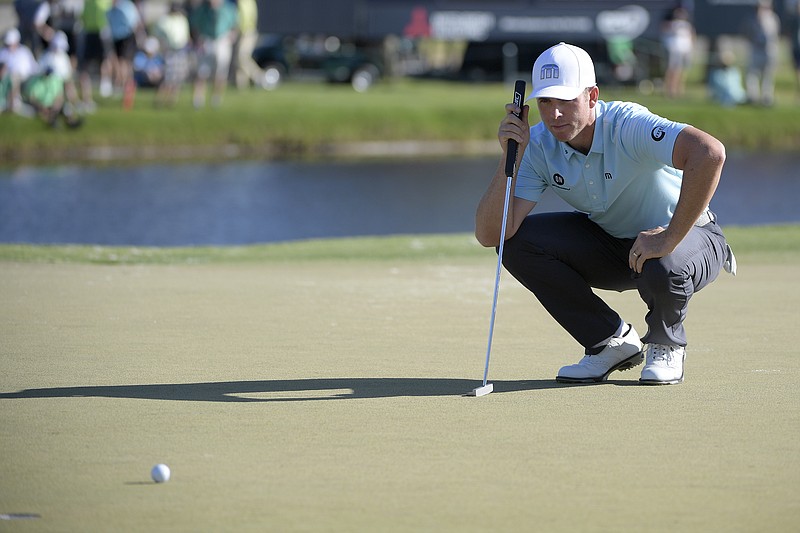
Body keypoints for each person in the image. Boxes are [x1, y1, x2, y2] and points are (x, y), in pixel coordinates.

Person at [475, 42, 736, 385]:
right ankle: (609, 343)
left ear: (593, 96)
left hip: (692, 238)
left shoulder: (627, 124)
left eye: (566, 101)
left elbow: (709, 152)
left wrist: (669, 236)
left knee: (662, 258)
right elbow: (490, 233)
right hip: (618, 247)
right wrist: (511, 155)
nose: (554, 115)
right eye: (545, 102)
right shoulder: (536, 144)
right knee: (517, 243)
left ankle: (665, 343)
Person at [189, 0, 238, 108]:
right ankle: (198, 100)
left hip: (222, 40)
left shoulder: (228, 8)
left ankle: (216, 99)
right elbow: (195, 25)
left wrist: (231, 37)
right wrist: (198, 39)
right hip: (206, 40)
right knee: (202, 72)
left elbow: (234, 25)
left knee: (221, 72)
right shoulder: (202, 9)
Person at [745, 0, 780, 106]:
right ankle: (753, 97)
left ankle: (766, 98)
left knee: (767, 76)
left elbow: (771, 36)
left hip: (769, 51)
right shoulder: (753, 19)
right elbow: (748, 33)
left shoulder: (772, 19)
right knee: (752, 75)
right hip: (756, 51)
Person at [0, 28, 39, 114]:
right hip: (7, 79)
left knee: (14, 77)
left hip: (26, 79)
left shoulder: (24, 51)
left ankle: (13, 103)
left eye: (11, 43)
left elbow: (34, 68)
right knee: (11, 77)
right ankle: (9, 102)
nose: (9, 46)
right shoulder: (3, 52)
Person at [660, 6, 695, 98]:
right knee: (672, 70)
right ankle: (670, 90)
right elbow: (664, 31)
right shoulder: (671, 24)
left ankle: (679, 90)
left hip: (685, 50)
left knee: (682, 71)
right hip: (674, 49)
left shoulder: (687, 24)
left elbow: (692, 35)